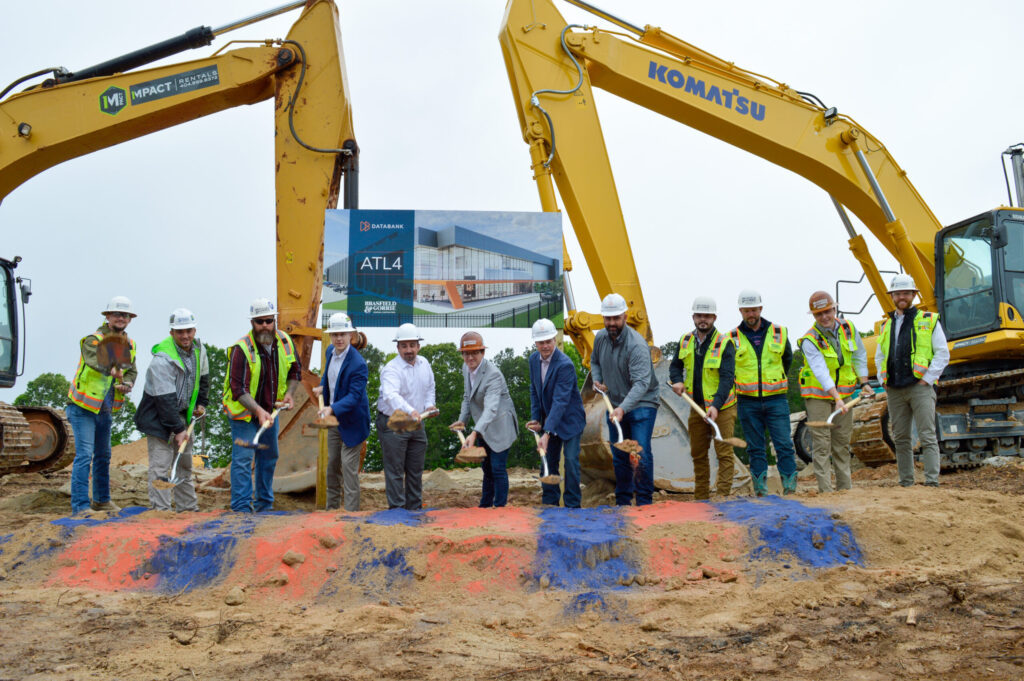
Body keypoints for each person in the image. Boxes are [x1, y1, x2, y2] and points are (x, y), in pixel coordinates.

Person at [222, 298, 300, 513]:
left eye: (268, 320)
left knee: (268, 455)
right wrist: (258, 410)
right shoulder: (242, 349)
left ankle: (264, 506)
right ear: (252, 323)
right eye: (259, 321)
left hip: (270, 411)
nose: (264, 325)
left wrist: (290, 395)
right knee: (244, 458)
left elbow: (295, 372)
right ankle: (241, 509)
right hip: (244, 414)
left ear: (274, 320)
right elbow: (238, 389)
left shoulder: (285, 341)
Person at [874, 274, 949, 487]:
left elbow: (942, 353)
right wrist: (882, 379)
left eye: (906, 293)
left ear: (914, 294)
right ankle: (906, 482)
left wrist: (927, 380)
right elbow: (880, 356)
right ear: (892, 296)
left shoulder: (928, 320)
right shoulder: (886, 326)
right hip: (895, 389)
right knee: (901, 438)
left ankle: (931, 481)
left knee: (927, 435)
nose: (901, 297)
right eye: (897, 294)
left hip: (919, 387)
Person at [66, 296, 138, 514]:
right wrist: (113, 370)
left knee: (104, 455)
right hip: (83, 406)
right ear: (107, 316)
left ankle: (102, 501)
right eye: (117, 314)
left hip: (105, 407)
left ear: (130, 319)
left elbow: (132, 370)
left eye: (125, 315)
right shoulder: (94, 340)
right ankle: (80, 507)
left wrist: (127, 383)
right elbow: (93, 361)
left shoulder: (130, 344)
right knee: (85, 455)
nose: (121, 318)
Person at [134, 308, 210, 511]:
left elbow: (203, 380)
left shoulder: (199, 350)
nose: (185, 335)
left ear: (194, 330)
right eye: (180, 332)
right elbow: (164, 400)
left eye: (188, 330)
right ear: (172, 333)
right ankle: (162, 511)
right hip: (159, 416)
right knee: (161, 465)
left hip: (183, 414)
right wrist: (178, 430)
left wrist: (201, 403)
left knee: (184, 464)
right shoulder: (162, 360)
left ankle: (187, 509)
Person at [798, 290, 872, 493]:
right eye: (819, 314)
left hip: (845, 393)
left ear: (834, 308)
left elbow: (859, 354)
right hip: (818, 396)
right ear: (813, 316)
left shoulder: (848, 328)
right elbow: (820, 370)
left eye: (827, 311)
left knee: (841, 443)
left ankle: (845, 490)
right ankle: (826, 492)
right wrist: (836, 397)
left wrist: (864, 382)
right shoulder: (809, 340)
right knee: (822, 443)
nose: (824, 317)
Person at [591, 293, 659, 506]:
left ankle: (644, 502)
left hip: (642, 403)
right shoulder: (601, 337)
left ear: (625, 317)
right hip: (616, 402)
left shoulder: (637, 345)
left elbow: (641, 385)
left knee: (640, 452)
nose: (611, 323)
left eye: (616, 318)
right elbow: (594, 362)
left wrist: (622, 409)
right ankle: (622, 501)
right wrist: (597, 379)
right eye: (608, 318)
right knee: (619, 452)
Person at [729, 290, 798, 496]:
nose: (751, 314)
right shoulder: (731, 338)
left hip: (776, 399)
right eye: (747, 310)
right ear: (741, 310)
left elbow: (787, 360)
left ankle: (790, 487)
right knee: (755, 447)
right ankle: (760, 490)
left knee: (784, 443)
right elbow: (728, 368)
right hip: (747, 401)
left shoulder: (779, 331)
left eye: (754, 310)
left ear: (760, 308)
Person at [669, 297, 737, 501]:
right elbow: (675, 366)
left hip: (722, 407)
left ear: (714, 317)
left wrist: (716, 406)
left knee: (724, 453)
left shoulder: (725, 343)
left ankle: (723, 498)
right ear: (693, 317)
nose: (703, 320)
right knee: (698, 454)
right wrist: (676, 381)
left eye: (707, 316)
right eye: (699, 316)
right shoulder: (685, 341)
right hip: (696, 406)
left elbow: (727, 378)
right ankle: (702, 499)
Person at [451, 331, 519, 508]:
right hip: (483, 425)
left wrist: (473, 434)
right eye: (466, 353)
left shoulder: (493, 375)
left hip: (500, 425)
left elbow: (491, 409)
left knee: (497, 468)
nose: (470, 357)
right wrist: (462, 421)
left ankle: (500, 507)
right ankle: (485, 506)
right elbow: (467, 397)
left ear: (483, 353)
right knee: (486, 468)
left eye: (475, 353)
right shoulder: (466, 368)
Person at [526, 318, 587, 508]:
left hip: (570, 421)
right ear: (535, 343)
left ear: (554, 339)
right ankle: (550, 504)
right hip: (548, 421)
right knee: (548, 462)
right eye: (541, 342)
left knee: (570, 461)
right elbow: (535, 391)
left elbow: (561, 401)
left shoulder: (565, 365)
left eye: (548, 341)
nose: (545, 346)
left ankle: (572, 506)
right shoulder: (533, 360)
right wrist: (536, 419)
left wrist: (547, 432)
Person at [313, 313, 370, 511]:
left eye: (342, 334)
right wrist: (322, 387)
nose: (338, 338)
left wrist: (331, 408)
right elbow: (328, 375)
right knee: (332, 467)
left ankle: (351, 513)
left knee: (348, 468)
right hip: (335, 421)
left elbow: (354, 397)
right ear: (330, 336)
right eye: (335, 334)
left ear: (350, 336)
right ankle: (332, 510)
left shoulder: (359, 365)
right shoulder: (330, 351)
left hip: (353, 422)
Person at [376, 323, 435, 510]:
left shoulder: (424, 364)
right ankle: (397, 512)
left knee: (415, 469)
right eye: (404, 346)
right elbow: (391, 396)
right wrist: (410, 411)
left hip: (417, 423)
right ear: (398, 347)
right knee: (395, 470)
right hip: (394, 422)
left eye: (412, 345)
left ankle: (414, 509)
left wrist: (429, 406)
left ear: (418, 346)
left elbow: (430, 388)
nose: (408, 350)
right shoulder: (391, 369)